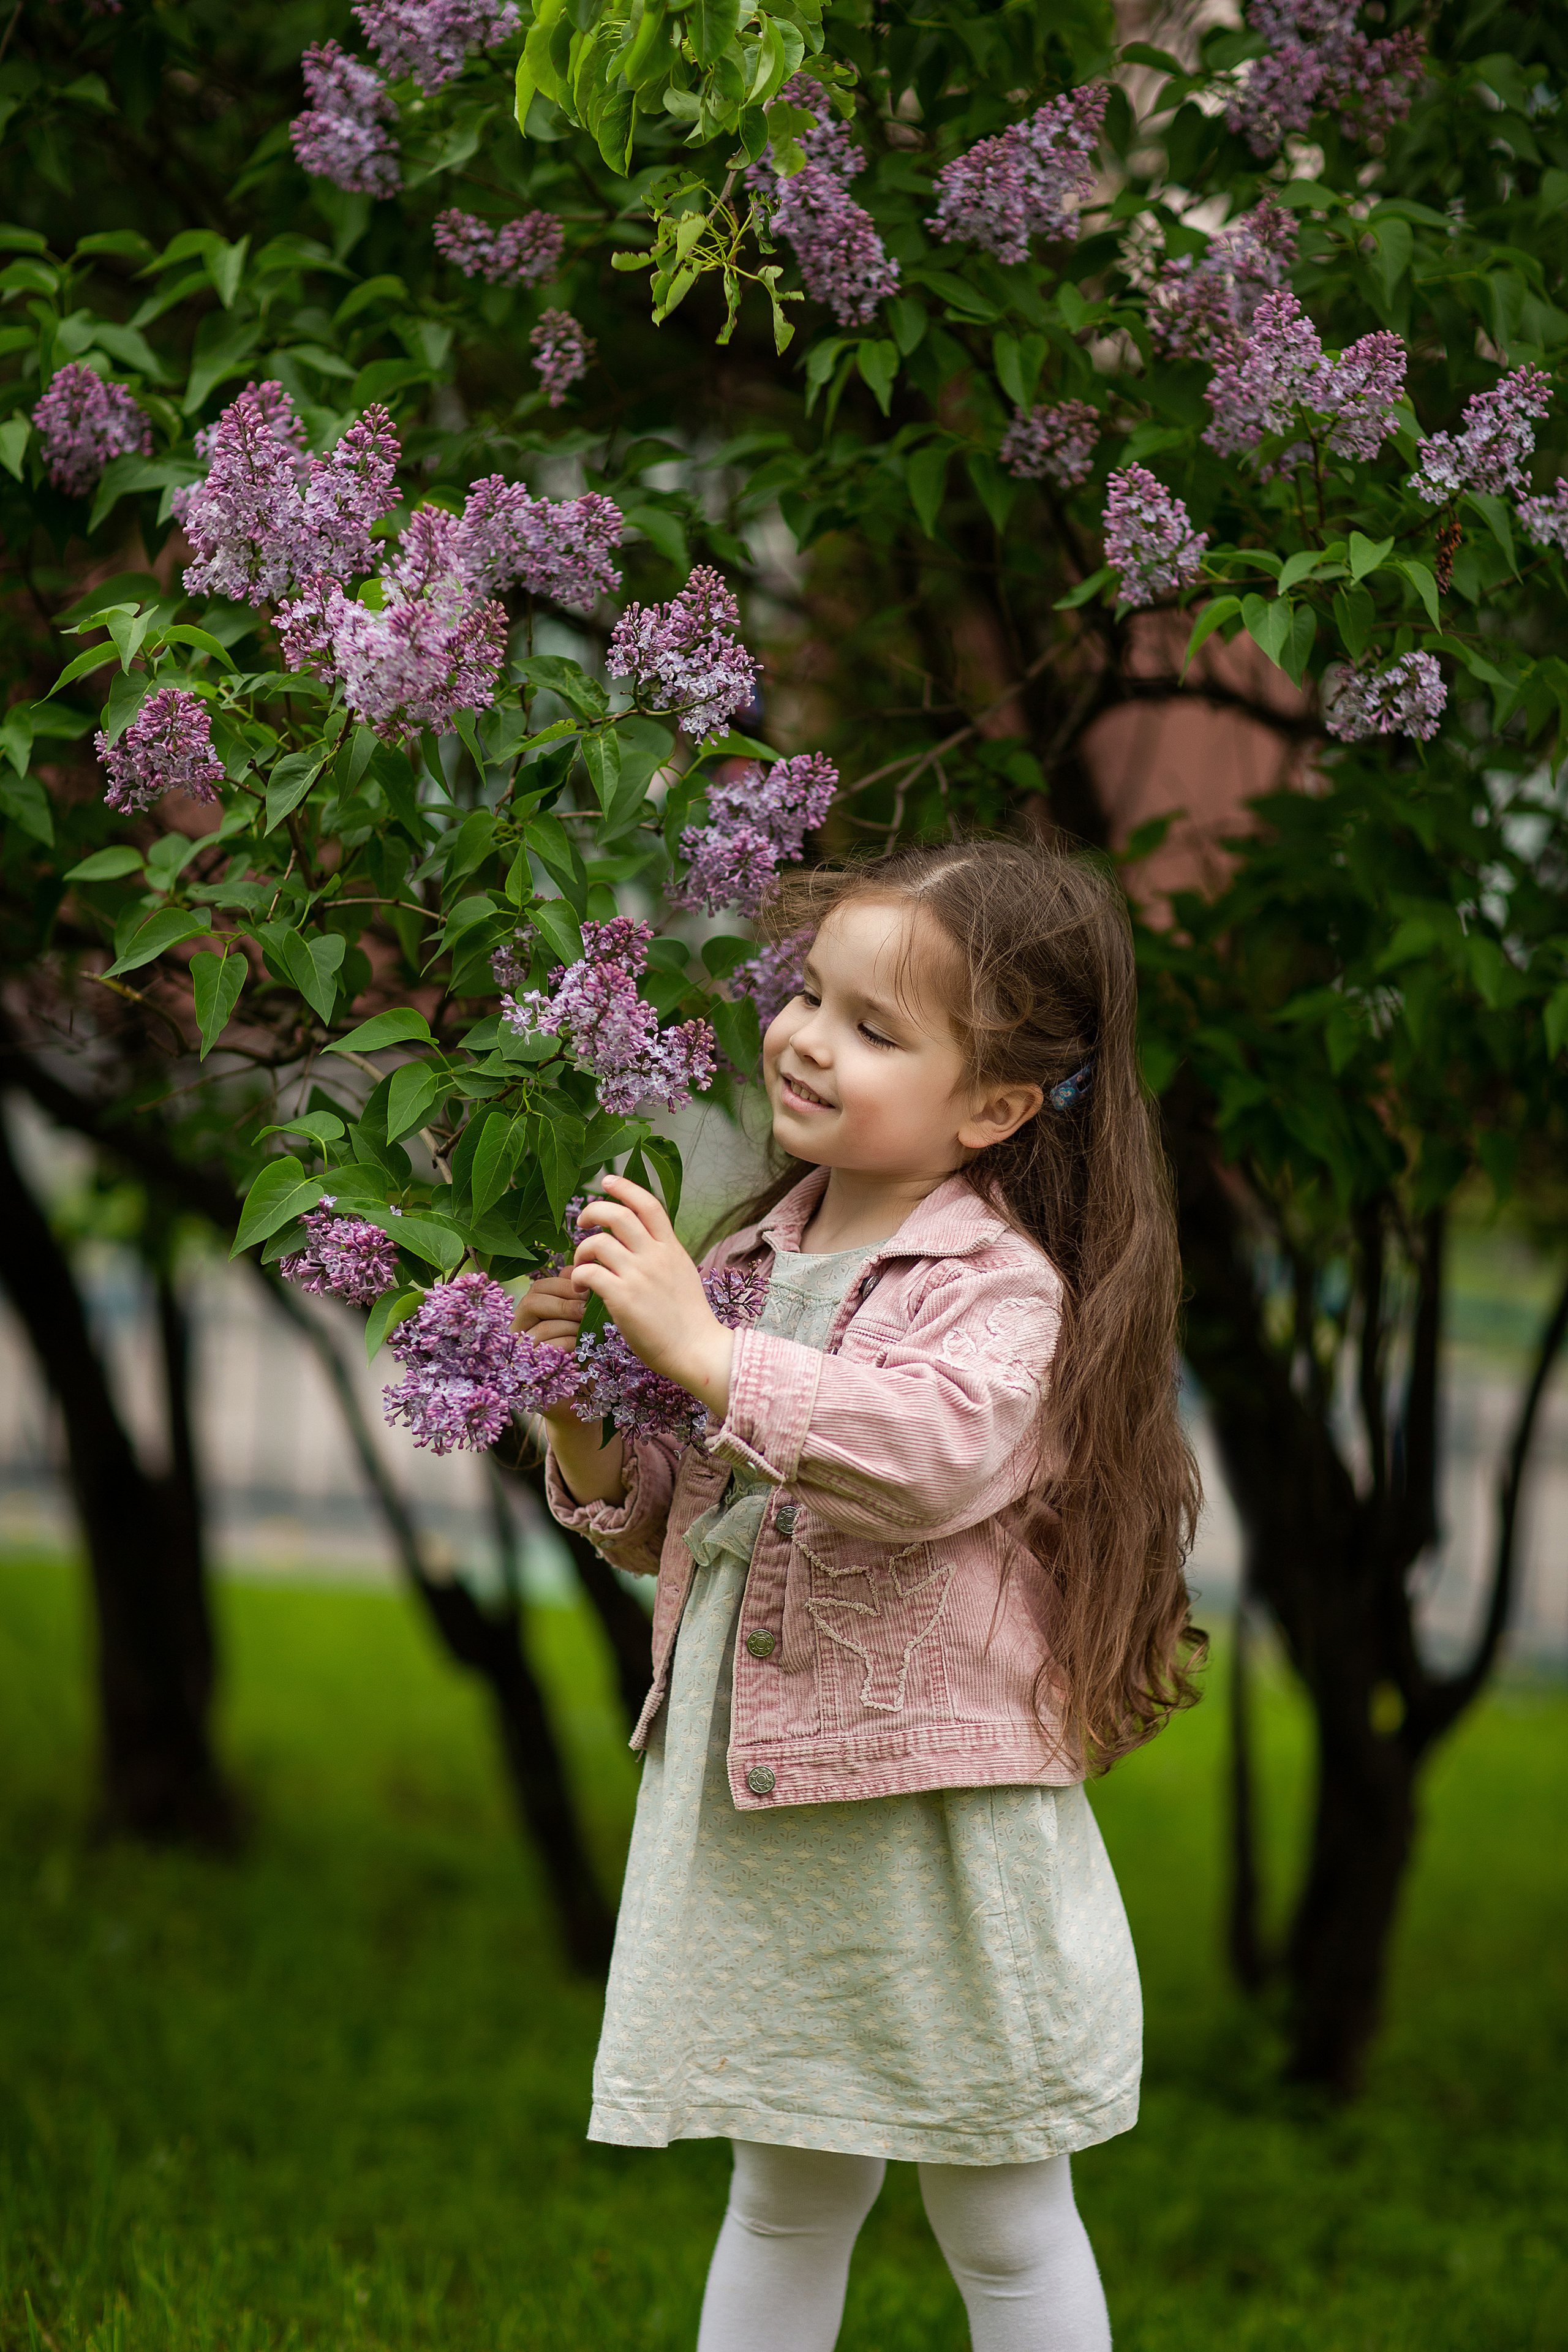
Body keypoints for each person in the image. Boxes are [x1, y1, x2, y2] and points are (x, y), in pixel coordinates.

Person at [516, 839, 1204, 2352]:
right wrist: (572, 1396)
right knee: (782, 2189)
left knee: (1005, 2216)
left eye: (875, 1028)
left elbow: (924, 1460)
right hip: (767, 1819)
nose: (808, 1040)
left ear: (994, 1105)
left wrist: (701, 1354)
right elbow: (670, 1517)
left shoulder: (998, 1287)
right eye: (810, 995)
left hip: (929, 1834)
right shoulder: (750, 1262)